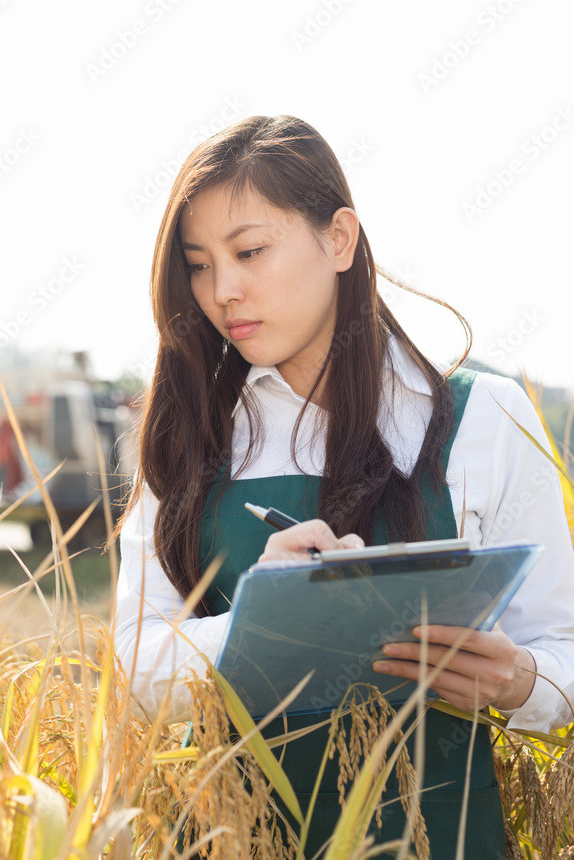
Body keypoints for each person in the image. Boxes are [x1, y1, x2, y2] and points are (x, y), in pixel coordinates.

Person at [113, 114, 574, 859]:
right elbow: (132, 674)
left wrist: (519, 682)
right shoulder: (188, 432)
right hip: (235, 839)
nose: (223, 290)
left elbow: (561, 650)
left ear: (338, 239)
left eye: (250, 251)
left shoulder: (482, 416)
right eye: (198, 265)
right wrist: (262, 615)